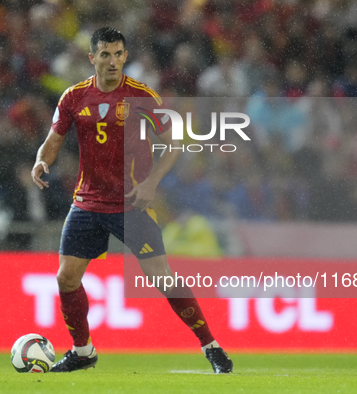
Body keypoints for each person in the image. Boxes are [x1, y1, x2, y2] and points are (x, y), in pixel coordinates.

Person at [31, 27, 233, 374]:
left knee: (163, 279)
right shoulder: (73, 97)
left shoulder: (142, 97)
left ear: (125, 56)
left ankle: (211, 346)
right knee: (66, 278)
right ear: (92, 57)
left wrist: (152, 183)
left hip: (130, 203)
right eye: (105, 55)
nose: (112, 61)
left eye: (118, 54)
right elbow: (54, 137)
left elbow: (173, 143)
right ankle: (83, 351)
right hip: (87, 202)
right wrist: (41, 160)